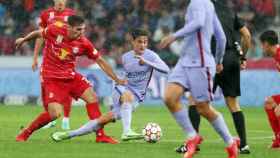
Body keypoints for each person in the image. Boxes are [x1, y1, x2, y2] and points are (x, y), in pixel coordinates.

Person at [15, 15, 126, 144]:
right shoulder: (54, 29)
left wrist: (116, 79)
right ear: (69, 27)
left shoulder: (84, 43)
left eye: (83, 29)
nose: (81, 33)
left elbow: (100, 61)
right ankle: (26, 132)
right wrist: (24, 39)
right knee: (54, 114)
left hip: (70, 76)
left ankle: (100, 135)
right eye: (78, 29)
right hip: (51, 77)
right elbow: (38, 33)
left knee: (92, 97)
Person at [50, 28, 170, 142]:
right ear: (133, 42)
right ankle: (127, 131)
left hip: (136, 97)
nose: (143, 45)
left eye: (145, 42)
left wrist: (147, 62)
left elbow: (166, 69)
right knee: (128, 95)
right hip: (122, 90)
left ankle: (68, 134)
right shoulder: (126, 57)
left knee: (101, 121)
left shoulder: (151, 56)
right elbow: (127, 76)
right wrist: (121, 83)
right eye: (139, 42)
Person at [159, 0, 238, 158]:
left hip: (200, 64)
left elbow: (199, 23)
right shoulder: (208, 4)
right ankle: (192, 136)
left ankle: (230, 142)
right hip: (184, 61)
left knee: (203, 108)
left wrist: (174, 36)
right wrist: (218, 59)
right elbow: (221, 38)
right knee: (169, 97)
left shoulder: (198, 2)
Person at [176, 0, 252, 154]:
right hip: (231, 58)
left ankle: (192, 144)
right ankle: (243, 145)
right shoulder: (229, 10)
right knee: (233, 103)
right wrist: (242, 57)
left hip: (211, 58)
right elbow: (247, 35)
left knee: (193, 101)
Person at [33, 0, 75, 130]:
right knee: (45, 88)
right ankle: (50, 117)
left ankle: (66, 119)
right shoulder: (46, 15)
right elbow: (40, 36)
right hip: (49, 59)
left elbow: (77, 35)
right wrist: (35, 57)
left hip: (65, 59)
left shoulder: (72, 15)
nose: (61, 2)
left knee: (66, 87)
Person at [259, 30, 280, 148]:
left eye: (262, 45)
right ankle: (278, 139)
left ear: (266, 44)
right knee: (269, 102)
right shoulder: (276, 55)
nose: (262, 48)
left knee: (279, 110)